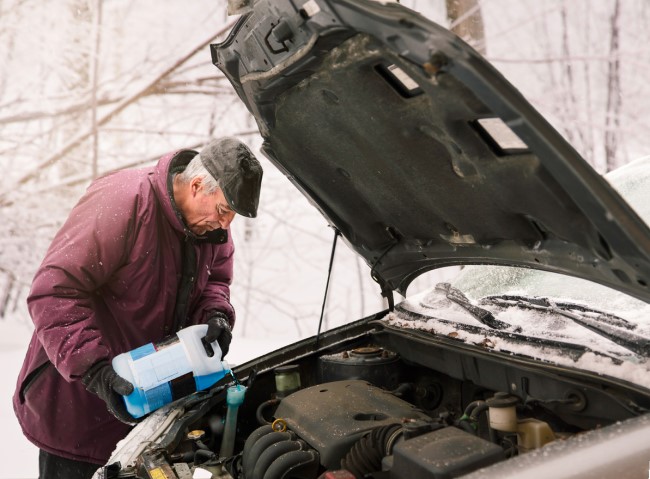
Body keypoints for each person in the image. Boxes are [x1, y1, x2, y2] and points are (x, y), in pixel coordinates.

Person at [13, 137, 263, 479]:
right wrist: (96, 371)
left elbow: (216, 280)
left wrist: (215, 315)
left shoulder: (211, 229)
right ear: (195, 186)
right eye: (223, 210)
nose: (226, 224)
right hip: (80, 405)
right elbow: (54, 291)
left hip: (146, 411)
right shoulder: (124, 202)